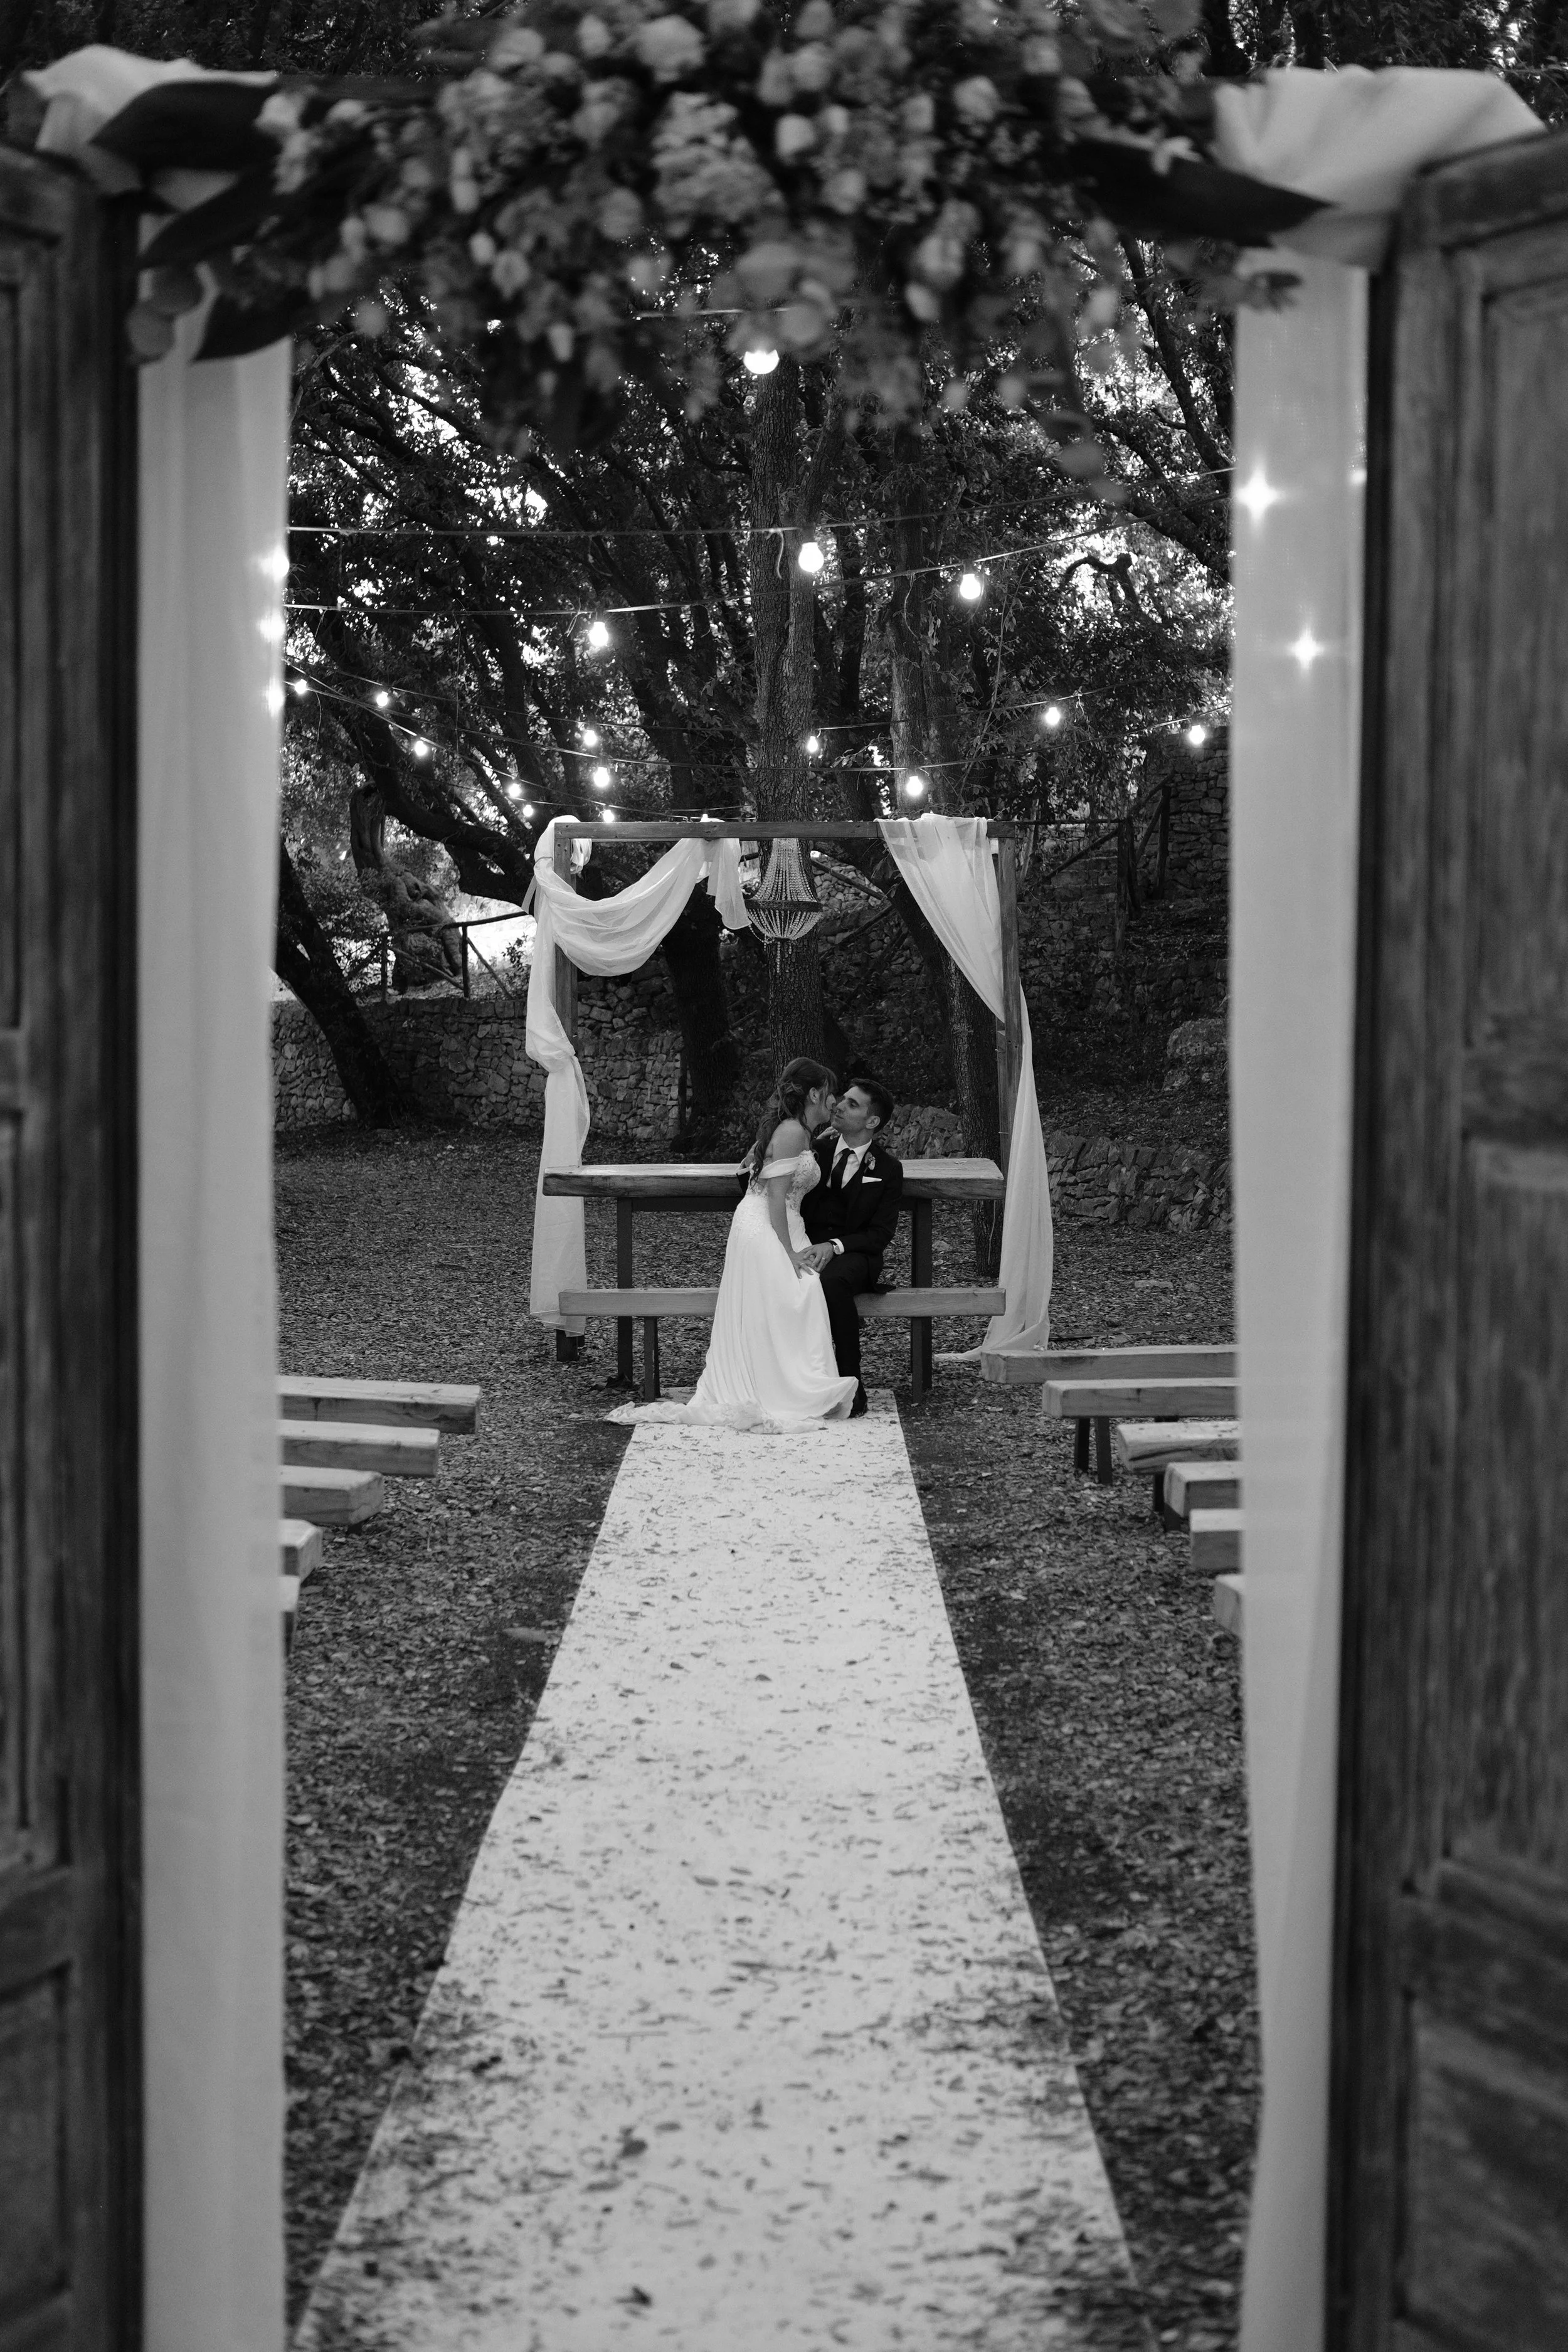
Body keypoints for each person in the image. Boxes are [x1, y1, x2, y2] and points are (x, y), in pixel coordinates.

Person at [613, 1058, 858, 1431]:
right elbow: (775, 1197)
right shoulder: (792, 1131)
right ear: (813, 1094)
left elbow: (762, 1169)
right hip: (766, 1224)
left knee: (790, 1297)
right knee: (800, 1292)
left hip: (782, 1222)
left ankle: (783, 1382)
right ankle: (782, 1388)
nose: (835, 1100)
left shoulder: (797, 1131)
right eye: (830, 1092)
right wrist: (788, 1251)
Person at [797, 1078, 903, 1418]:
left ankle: (851, 1385)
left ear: (872, 1122)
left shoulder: (887, 1169)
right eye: (842, 1099)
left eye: (852, 1104)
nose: (839, 1105)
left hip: (858, 1255)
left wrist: (835, 1245)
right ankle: (797, 1381)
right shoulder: (815, 1150)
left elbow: (880, 1233)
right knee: (792, 1278)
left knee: (832, 1283)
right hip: (807, 1245)